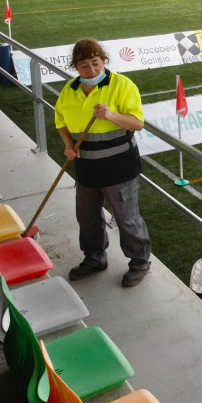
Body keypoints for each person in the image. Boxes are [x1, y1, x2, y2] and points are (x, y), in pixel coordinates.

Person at [54, 38, 152, 287]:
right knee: (87, 217)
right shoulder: (70, 89)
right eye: (84, 66)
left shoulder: (122, 85)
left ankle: (140, 261)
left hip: (119, 166)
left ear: (104, 61)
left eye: (95, 63)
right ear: (76, 67)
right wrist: (67, 145)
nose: (91, 71)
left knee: (126, 218)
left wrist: (110, 115)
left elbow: (137, 123)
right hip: (86, 167)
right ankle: (95, 258)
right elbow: (60, 121)